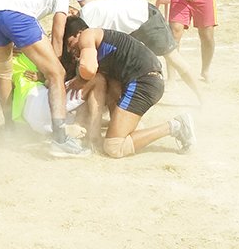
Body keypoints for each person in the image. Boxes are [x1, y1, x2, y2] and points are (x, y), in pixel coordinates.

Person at [0, 0, 87, 157]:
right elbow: (57, 35)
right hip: (17, 15)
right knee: (57, 73)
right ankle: (60, 139)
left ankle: (9, 129)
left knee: (4, 72)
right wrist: (53, 70)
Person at [64, 16, 196, 158]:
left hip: (143, 81)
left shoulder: (87, 35)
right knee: (118, 114)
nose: (71, 50)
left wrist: (81, 79)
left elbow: (89, 70)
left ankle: (176, 126)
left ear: (79, 33)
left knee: (114, 147)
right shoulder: (106, 51)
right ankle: (133, 129)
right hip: (146, 79)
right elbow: (110, 91)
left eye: (70, 43)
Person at [75, 0, 204, 105]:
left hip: (144, 18)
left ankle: (202, 97)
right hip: (133, 22)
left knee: (173, 57)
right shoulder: (86, 13)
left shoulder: (85, 23)